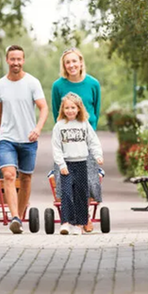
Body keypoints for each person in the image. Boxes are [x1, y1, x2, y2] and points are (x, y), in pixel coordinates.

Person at [0, 45, 49, 234]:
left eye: (19, 59)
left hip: (28, 139)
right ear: (7, 60)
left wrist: (38, 128)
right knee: (8, 175)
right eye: (12, 59)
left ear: (23, 61)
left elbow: (44, 108)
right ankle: (14, 217)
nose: (15, 62)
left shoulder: (32, 83)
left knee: (25, 178)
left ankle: (19, 217)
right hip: (7, 138)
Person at [50, 47, 103, 233]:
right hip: (67, 142)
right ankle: (69, 220)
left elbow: (96, 110)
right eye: (68, 62)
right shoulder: (58, 86)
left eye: (75, 61)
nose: (72, 65)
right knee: (67, 184)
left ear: (81, 62)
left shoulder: (93, 83)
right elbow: (57, 110)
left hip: (86, 138)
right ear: (64, 66)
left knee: (87, 183)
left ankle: (84, 218)